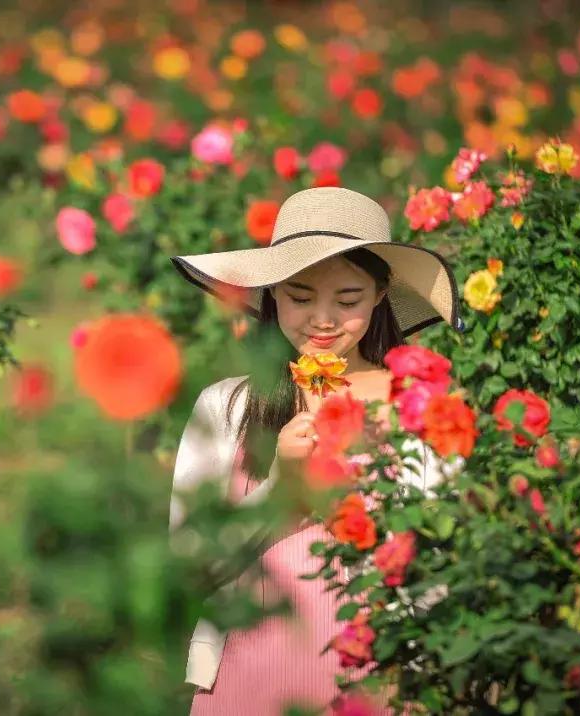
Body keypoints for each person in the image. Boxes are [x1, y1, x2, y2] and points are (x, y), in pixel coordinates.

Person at [167, 186, 463, 715]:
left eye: (347, 300)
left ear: (379, 295)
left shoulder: (417, 409)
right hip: (246, 677)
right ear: (272, 293)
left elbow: (443, 567)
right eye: (300, 297)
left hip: (378, 682)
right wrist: (281, 482)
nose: (322, 320)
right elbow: (190, 564)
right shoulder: (227, 406)